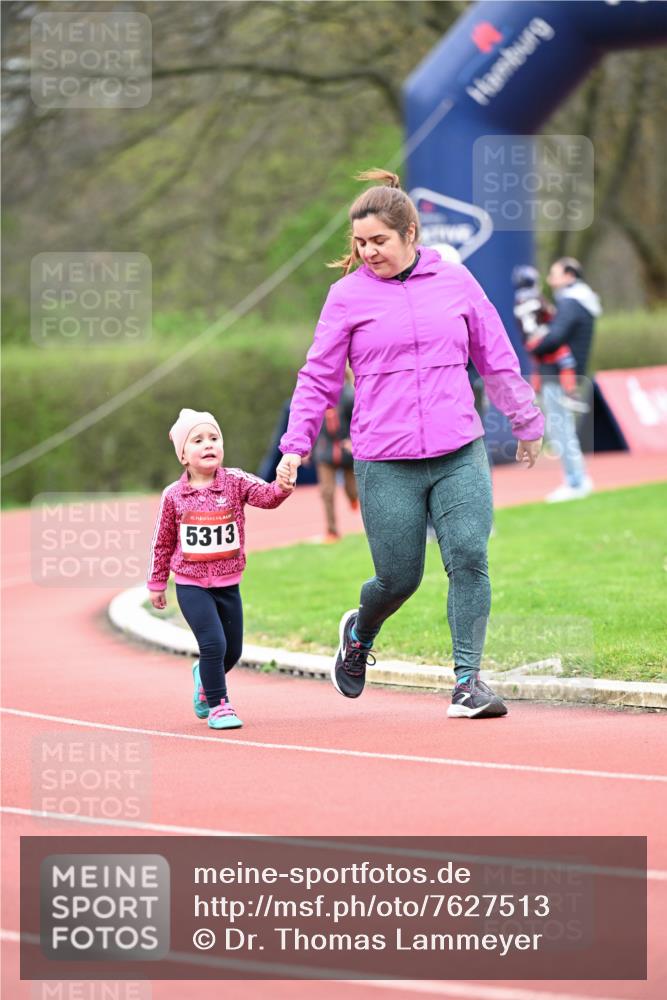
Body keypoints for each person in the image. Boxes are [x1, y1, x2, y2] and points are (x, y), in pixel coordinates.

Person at [276, 169, 544, 720]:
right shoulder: (346, 297)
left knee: (468, 556)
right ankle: (360, 631)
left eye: (379, 240)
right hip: (385, 458)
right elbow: (318, 377)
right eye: (360, 243)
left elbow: (494, 353)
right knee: (399, 578)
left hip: (458, 449)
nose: (368, 252)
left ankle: (468, 682)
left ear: (410, 234)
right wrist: (295, 444)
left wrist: (525, 417)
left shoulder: (455, 280)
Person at [147, 408, 294, 730]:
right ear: (183, 455)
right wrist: (157, 582)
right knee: (213, 644)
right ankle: (219, 706)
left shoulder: (235, 481)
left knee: (232, 651)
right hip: (191, 584)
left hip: (228, 583)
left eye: (214, 438)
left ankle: (204, 678)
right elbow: (162, 541)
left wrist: (282, 487)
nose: (208, 444)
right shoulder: (173, 496)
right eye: (198, 440)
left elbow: (267, 497)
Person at [529, 257, 602, 503]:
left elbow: (554, 338)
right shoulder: (580, 301)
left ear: (570, 276)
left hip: (559, 374)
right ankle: (577, 479)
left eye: (555, 274)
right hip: (567, 374)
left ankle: (575, 481)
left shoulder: (571, 302)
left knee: (561, 429)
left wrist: (534, 344)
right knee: (562, 428)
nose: (550, 280)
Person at [511, 264, 582, 404]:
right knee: (565, 358)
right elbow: (551, 314)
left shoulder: (518, 302)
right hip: (541, 338)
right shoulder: (537, 299)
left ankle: (534, 394)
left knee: (538, 366)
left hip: (529, 341)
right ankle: (570, 391)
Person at [312, 368, 358, 542]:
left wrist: (353, 440)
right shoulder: (317, 396)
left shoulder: (349, 396)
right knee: (327, 491)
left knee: (352, 490)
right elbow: (311, 423)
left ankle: (353, 498)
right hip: (325, 450)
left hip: (346, 450)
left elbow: (358, 420)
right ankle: (332, 531)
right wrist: (306, 448)